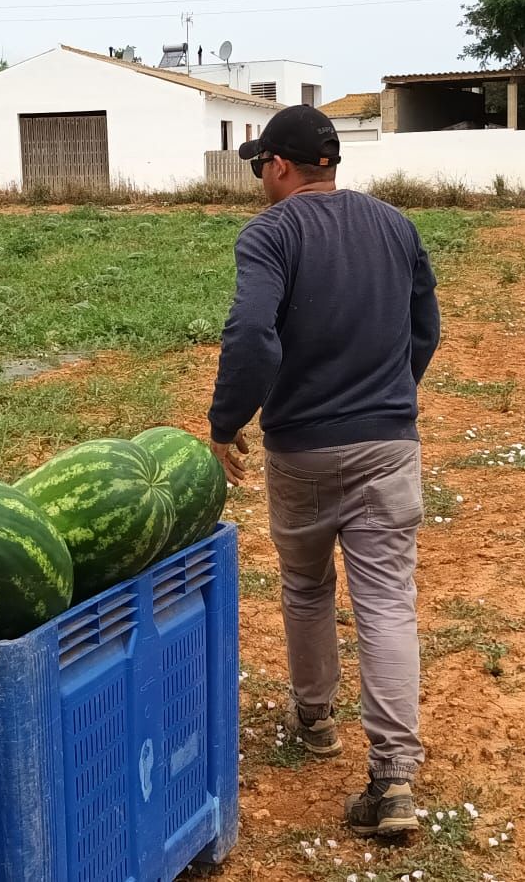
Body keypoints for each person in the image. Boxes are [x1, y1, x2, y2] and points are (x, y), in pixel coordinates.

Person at [207, 104, 440, 838]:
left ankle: (315, 720)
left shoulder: (270, 234)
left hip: (303, 448)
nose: (260, 182)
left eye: (260, 168)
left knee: (307, 586)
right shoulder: (396, 226)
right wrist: (390, 398)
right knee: (387, 603)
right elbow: (424, 326)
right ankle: (394, 776)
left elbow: (252, 334)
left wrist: (225, 422)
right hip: (388, 444)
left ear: (280, 166)